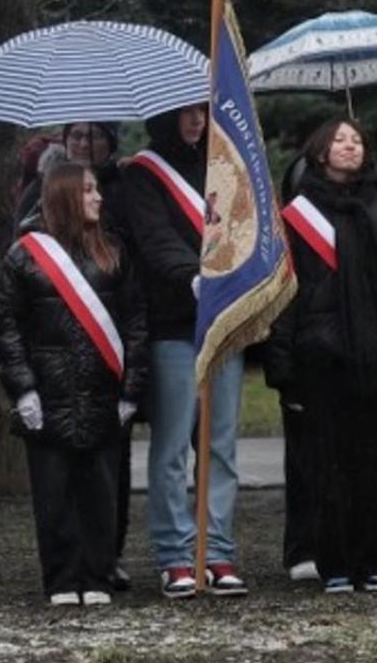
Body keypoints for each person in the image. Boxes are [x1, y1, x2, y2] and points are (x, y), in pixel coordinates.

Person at [265, 120, 377, 594]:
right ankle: (333, 563)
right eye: (339, 140)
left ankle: (376, 561)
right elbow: (284, 297)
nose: (349, 146)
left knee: (376, 468)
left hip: (375, 358)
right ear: (319, 153)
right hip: (320, 361)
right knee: (325, 468)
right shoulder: (296, 217)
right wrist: (283, 367)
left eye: (357, 139)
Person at [0, 163, 150, 606]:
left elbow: (136, 322)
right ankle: (61, 578)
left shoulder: (114, 251)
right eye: (87, 190)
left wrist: (131, 391)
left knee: (100, 493)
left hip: (102, 392)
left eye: (97, 189)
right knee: (54, 493)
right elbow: (5, 326)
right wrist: (22, 388)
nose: (98, 197)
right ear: (63, 196)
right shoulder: (24, 256)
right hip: (48, 393)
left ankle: (97, 575)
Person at [124, 104, 249, 598]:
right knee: (174, 445)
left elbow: (241, 230)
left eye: (203, 112)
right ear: (164, 117)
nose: (196, 121)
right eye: (186, 114)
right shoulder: (143, 173)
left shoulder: (223, 167)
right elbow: (155, 242)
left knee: (220, 446)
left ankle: (216, 549)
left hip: (223, 322)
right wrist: (193, 278)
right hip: (174, 323)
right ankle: (176, 553)